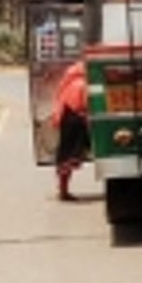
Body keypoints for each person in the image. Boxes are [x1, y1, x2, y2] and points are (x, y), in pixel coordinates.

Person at [51, 61, 90, 201]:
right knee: (71, 155)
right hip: (75, 121)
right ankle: (63, 191)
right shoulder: (82, 84)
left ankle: (63, 189)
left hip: (65, 119)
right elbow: (83, 107)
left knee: (65, 155)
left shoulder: (68, 82)